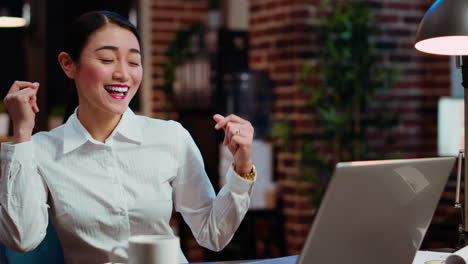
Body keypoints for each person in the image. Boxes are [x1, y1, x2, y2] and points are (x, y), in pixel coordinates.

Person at [0, 11, 256, 264]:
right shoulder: (43, 150)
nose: (123, 73)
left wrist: (242, 168)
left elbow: (214, 234)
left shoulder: (170, 137)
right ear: (69, 64)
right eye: (107, 59)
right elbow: (22, 239)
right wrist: (22, 133)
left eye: (133, 62)